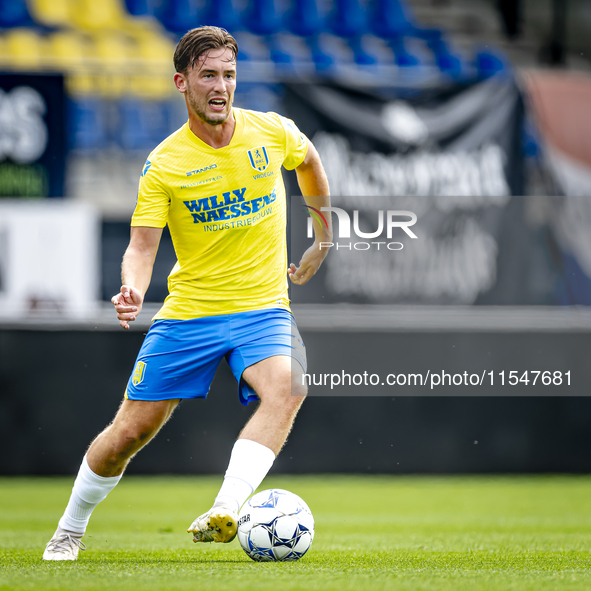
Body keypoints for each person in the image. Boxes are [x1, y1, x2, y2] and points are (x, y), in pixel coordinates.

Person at [43, 25, 331, 561]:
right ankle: (69, 528)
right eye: (208, 76)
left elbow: (309, 160)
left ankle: (225, 508)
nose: (221, 86)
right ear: (182, 82)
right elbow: (141, 246)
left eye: (229, 75)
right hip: (190, 314)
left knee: (289, 387)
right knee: (129, 433)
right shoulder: (165, 163)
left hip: (262, 307)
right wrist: (131, 287)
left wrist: (322, 236)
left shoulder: (271, 132)